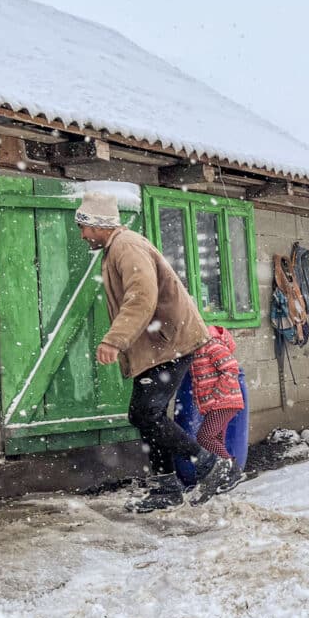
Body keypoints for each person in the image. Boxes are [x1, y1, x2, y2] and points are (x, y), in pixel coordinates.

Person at [75, 191, 240, 512]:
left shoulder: (126, 246)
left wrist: (114, 340)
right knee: (149, 416)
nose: (82, 235)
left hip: (169, 343)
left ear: (98, 224)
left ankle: (210, 465)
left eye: (84, 227)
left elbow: (142, 296)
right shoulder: (117, 248)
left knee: (144, 414)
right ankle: (166, 487)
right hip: (159, 345)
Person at [191, 325, 244, 463]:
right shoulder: (197, 348)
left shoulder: (211, 344)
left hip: (223, 402)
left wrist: (217, 393)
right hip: (218, 403)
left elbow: (232, 367)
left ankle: (231, 468)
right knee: (216, 440)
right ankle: (222, 471)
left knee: (205, 437)